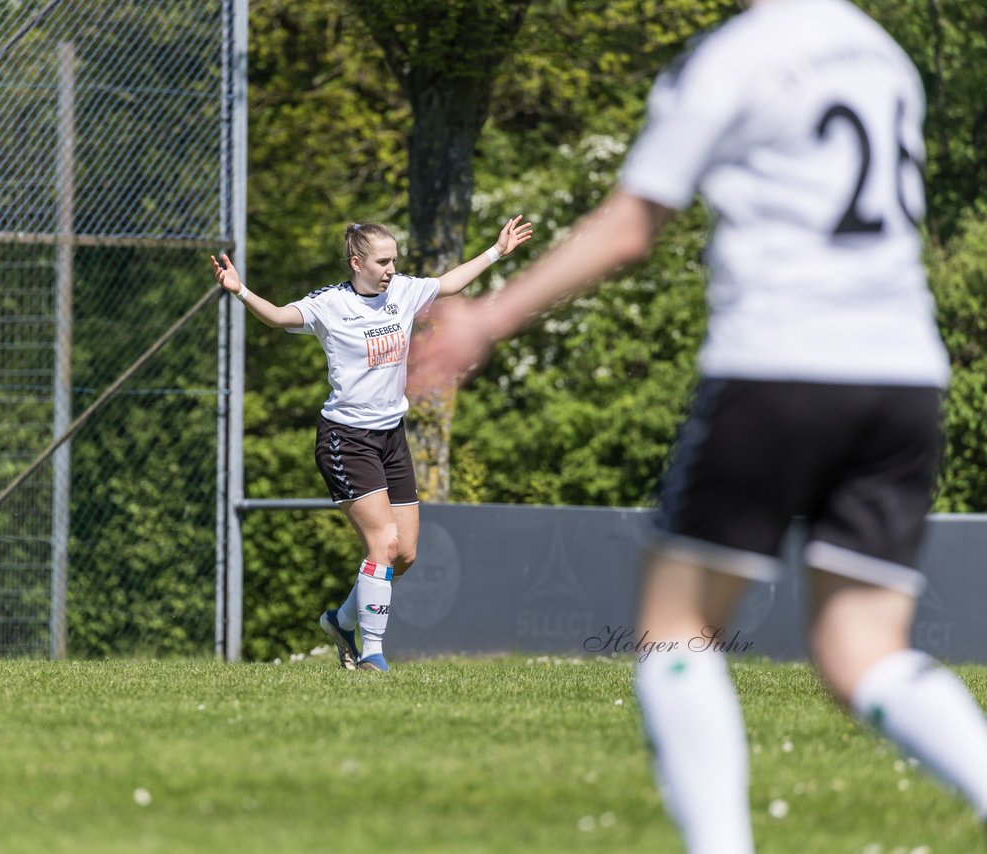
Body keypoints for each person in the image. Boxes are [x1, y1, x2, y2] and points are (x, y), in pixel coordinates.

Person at [408, 0, 987, 849]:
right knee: (863, 650)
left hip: (781, 362)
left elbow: (633, 224)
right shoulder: (881, 55)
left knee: (678, 627)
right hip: (903, 374)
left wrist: (490, 319)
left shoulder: (734, 57)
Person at [212, 216, 532, 671]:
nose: (391, 269)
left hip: (391, 436)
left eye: (394, 260)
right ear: (356, 261)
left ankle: (342, 621)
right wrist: (241, 291)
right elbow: (281, 317)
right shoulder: (329, 304)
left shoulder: (401, 291)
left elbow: (447, 285)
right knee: (382, 543)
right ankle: (372, 656)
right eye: (383, 261)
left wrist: (496, 252)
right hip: (346, 439)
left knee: (405, 554)